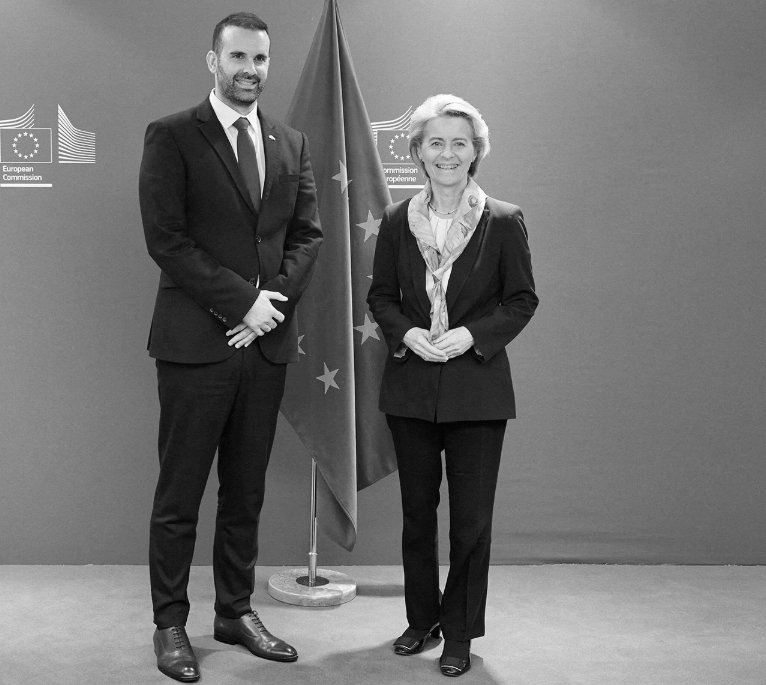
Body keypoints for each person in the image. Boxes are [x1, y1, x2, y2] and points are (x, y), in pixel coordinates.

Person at [137, 11, 322, 683]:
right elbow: (167, 238)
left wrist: (268, 305)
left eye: (260, 59)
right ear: (212, 61)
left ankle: (235, 611)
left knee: (245, 492)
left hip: (264, 346)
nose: (250, 69)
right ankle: (170, 623)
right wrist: (240, 301)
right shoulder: (173, 136)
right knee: (180, 492)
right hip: (195, 345)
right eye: (237, 57)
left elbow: (308, 235)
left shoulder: (289, 141)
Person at [366, 94, 538, 677]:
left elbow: (522, 301)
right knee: (418, 514)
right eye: (435, 142)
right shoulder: (395, 220)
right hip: (411, 387)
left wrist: (471, 336)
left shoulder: (505, 220)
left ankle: (460, 630)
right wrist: (408, 334)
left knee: (471, 521)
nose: (447, 153)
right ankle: (422, 619)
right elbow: (381, 298)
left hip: (476, 390)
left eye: (459, 143)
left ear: (476, 152)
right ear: (416, 151)